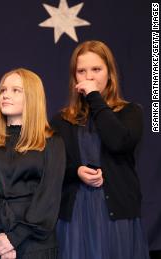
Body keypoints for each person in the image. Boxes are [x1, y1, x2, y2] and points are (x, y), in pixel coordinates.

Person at [52, 40, 150, 259]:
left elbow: (118, 142)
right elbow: (53, 166)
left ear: (110, 73)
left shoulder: (131, 112)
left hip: (116, 214)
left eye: (96, 69)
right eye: (81, 71)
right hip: (76, 213)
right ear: (74, 77)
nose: (89, 77)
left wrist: (95, 97)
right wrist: (76, 171)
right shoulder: (61, 120)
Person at [0, 68, 65, 259]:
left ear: (32, 98)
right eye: (3, 90)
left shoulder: (52, 142)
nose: (5, 95)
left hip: (34, 244)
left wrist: (14, 238)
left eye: (15, 90)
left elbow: (49, 197)